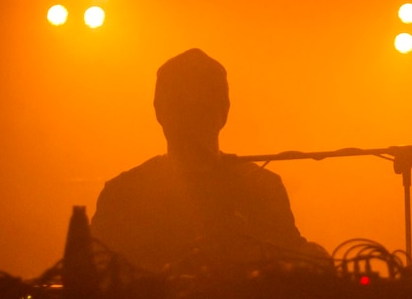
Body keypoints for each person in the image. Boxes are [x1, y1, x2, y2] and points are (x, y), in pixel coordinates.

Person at [90, 48, 329, 274]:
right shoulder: (123, 193)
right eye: (180, 105)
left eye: (200, 107)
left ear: (224, 110)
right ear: (158, 111)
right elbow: (94, 277)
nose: (189, 117)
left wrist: (313, 258)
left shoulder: (263, 187)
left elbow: (294, 256)